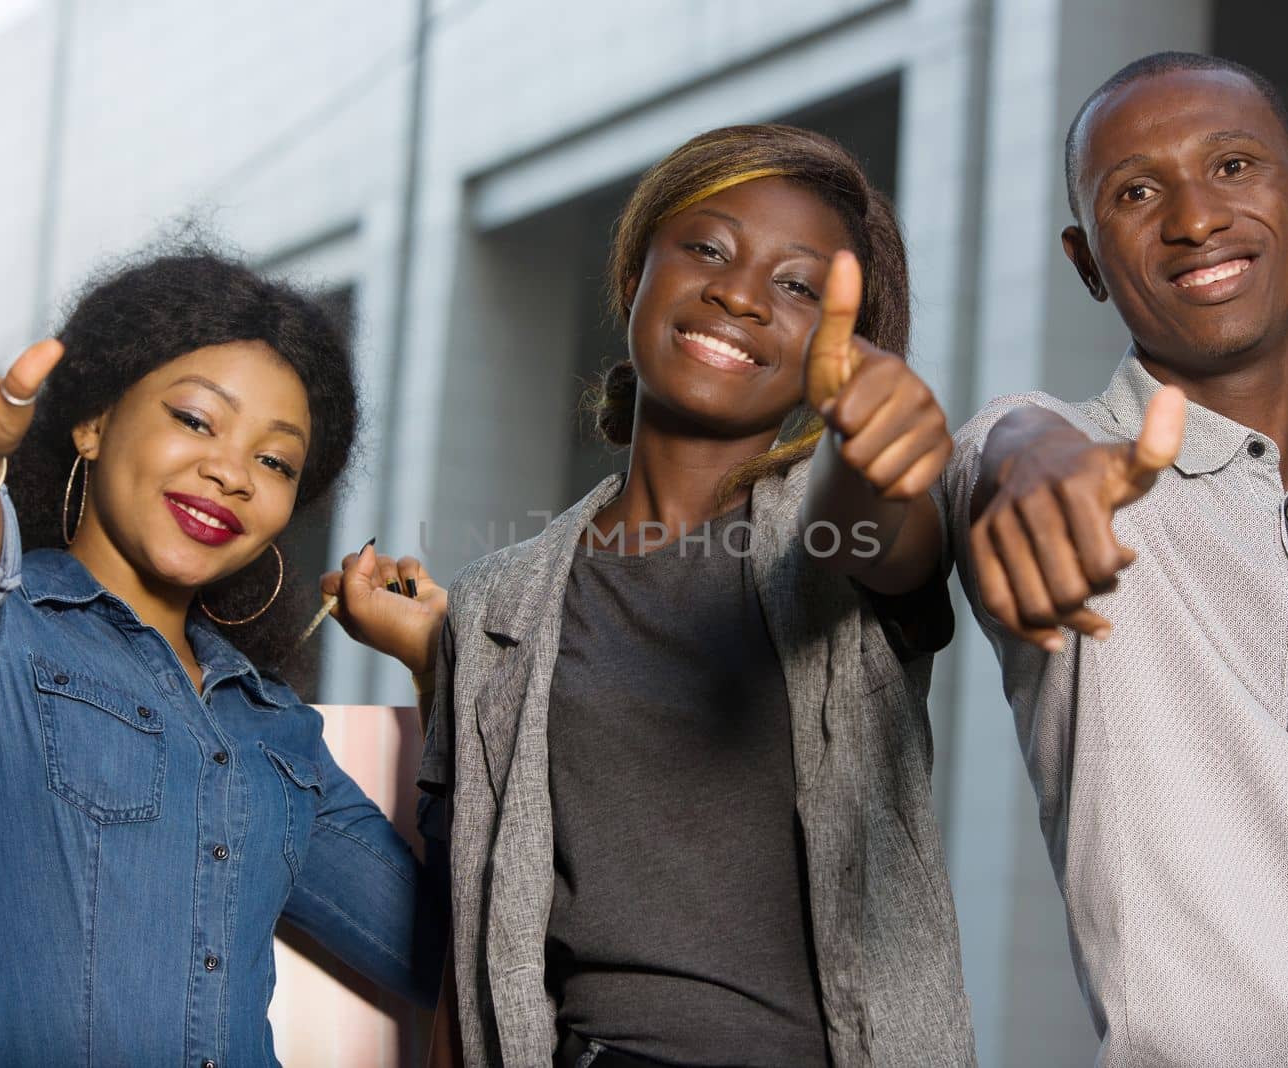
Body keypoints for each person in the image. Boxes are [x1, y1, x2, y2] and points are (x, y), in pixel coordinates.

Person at [413, 125, 975, 1068]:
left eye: (798, 286)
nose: (740, 293)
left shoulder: (827, 543)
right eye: (706, 249)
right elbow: (465, 947)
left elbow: (874, 529)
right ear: (636, 274)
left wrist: (878, 444)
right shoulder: (496, 605)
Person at [941, 52, 1288, 1065]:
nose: (1193, 218)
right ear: (1086, 262)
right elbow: (1000, 450)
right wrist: (1026, 458)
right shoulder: (1059, 466)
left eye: (1230, 166)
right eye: (1136, 191)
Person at [0, 251, 448, 1066]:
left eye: (274, 462)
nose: (231, 473)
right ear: (92, 423)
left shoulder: (274, 730)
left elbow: (451, 957)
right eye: (197, 420)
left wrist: (438, 673)